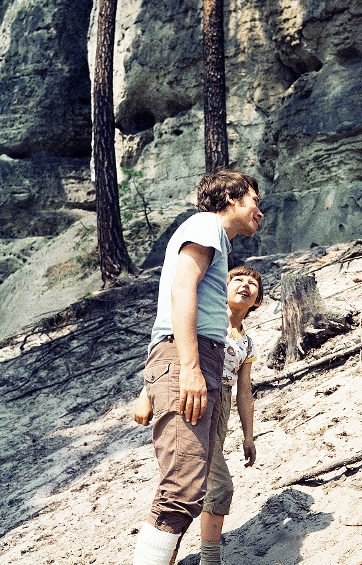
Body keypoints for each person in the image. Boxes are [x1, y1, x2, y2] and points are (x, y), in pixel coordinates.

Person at [131, 170, 263, 565]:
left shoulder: (215, 237)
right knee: (182, 488)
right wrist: (189, 367)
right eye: (254, 201)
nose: (259, 211)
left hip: (203, 355)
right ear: (232, 199)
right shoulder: (206, 224)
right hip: (187, 356)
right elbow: (182, 287)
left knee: (191, 487)